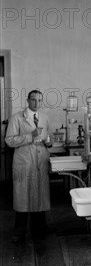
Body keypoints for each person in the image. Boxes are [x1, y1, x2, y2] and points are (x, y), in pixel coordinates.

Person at [5, 90, 52, 243]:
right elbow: (9, 140)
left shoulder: (44, 117)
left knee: (40, 195)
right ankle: (19, 232)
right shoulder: (17, 118)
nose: (36, 103)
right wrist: (30, 136)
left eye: (39, 100)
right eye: (33, 100)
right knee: (22, 196)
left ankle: (39, 229)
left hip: (40, 161)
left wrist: (48, 142)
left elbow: (47, 136)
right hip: (24, 162)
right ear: (27, 100)